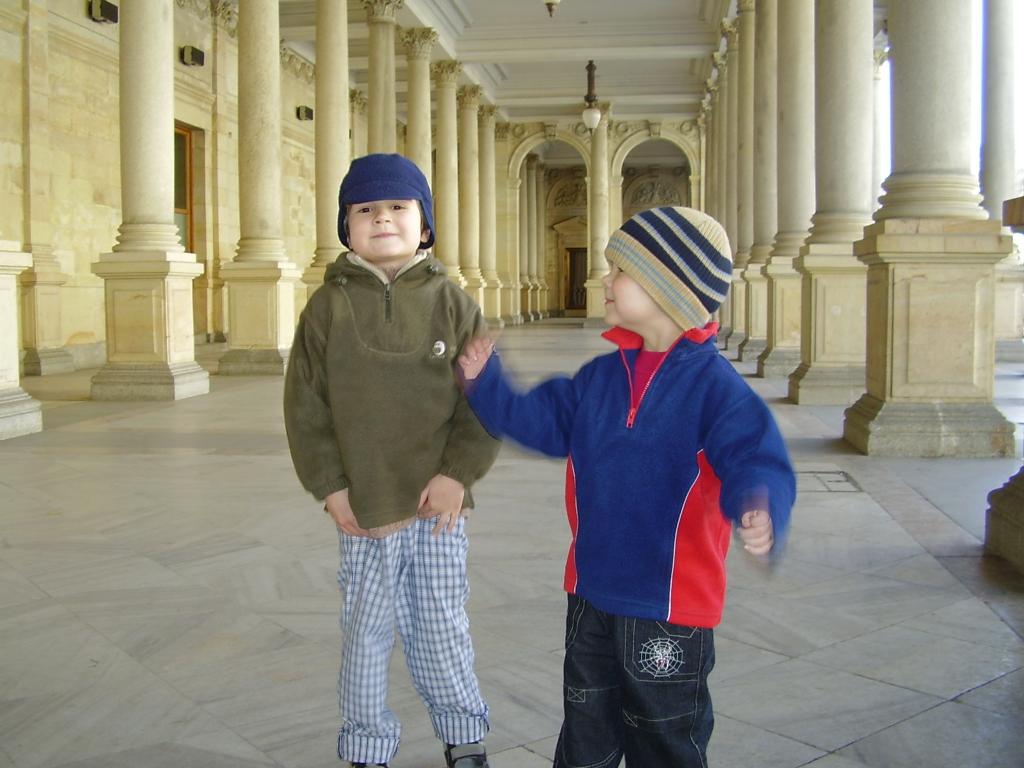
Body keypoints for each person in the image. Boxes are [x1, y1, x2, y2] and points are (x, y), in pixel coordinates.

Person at [457, 206, 796, 767]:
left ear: (670, 289)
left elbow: (756, 457)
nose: (605, 280)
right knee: (585, 732)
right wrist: (487, 385)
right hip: (592, 591)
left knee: (664, 742)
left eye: (621, 270)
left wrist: (758, 504)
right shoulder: (600, 377)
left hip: (671, 605)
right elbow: (542, 422)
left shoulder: (716, 390)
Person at [284, 153, 500, 768]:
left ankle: (464, 736)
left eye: (398, 207)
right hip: (365, 507)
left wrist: (457, 474)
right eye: (365, 209)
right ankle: (366, 745)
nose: (382, 218)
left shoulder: (454, 303)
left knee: (440, 626)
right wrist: (330, 486)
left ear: (424, 224)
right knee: (365, 634)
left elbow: (486, 400)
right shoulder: (325, 308)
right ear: (346, 228)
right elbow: (305, 404)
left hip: (438, 511)